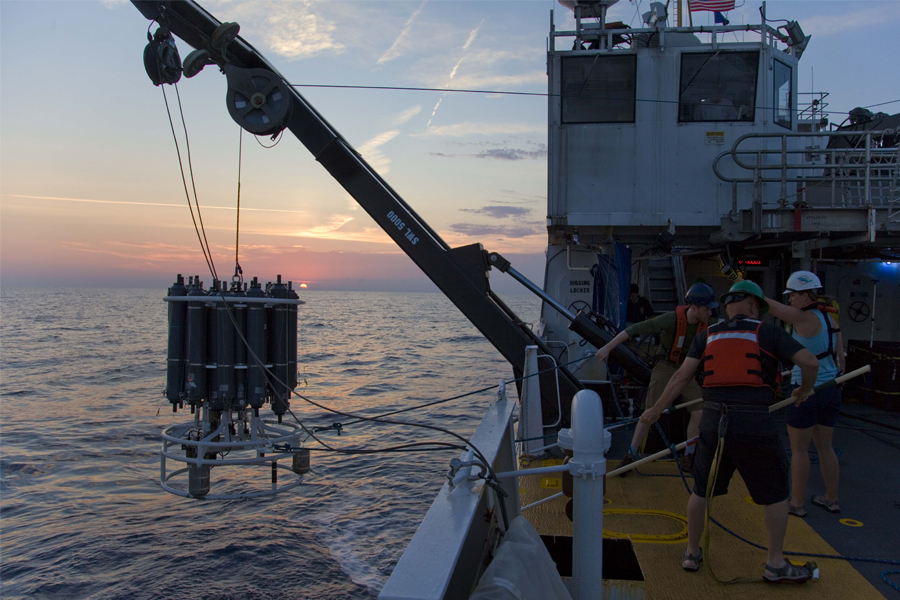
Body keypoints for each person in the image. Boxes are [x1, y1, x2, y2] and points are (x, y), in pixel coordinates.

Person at [640, 280, 819, 583]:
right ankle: (775, 564)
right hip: (754, 423)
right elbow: (809, 361)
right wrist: (806, 388)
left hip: (712, 421)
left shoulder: (707, 335)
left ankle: (691, 553)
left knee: (701, 490)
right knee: (775, 494)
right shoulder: (767, 332)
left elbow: (682, 376)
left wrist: (655, 410)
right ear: (753, 306)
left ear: (727, 306)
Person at [596, 282, 718, 471]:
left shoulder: (708, 326)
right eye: (706, 309)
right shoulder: (670, 320)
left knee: (699, 411)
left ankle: (689, 456)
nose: (710, 312)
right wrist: (608, 347)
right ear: (694, 308)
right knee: (651, 410)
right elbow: (635, 329)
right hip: (666, 366)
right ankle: (632, 452)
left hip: (688, 368)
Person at [766, 271, 845, 517]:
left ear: (804, 295)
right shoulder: (830, 319)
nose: (790, 301)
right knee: (825, 447)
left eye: (792, 296)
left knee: (799, 450)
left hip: (805, 391)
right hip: (830, 389)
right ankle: (831, 499)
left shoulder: (802, 318)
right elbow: (841, 359)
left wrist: (739, 282)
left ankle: (797, 503)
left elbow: (767, 305)